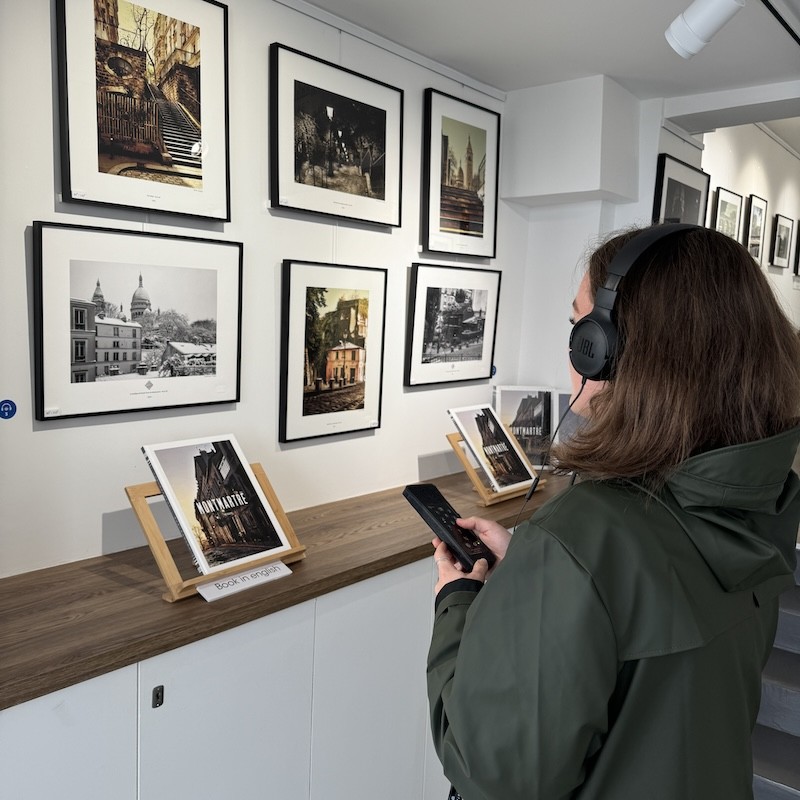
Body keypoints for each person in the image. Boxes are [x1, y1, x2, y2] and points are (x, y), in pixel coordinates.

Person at [426, 224, 800, 800]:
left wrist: (457, 602)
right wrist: (539, 577)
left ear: (604, 352)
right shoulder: (762, 504)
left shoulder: (581, 537)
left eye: (579, 327)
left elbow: (492, 773)